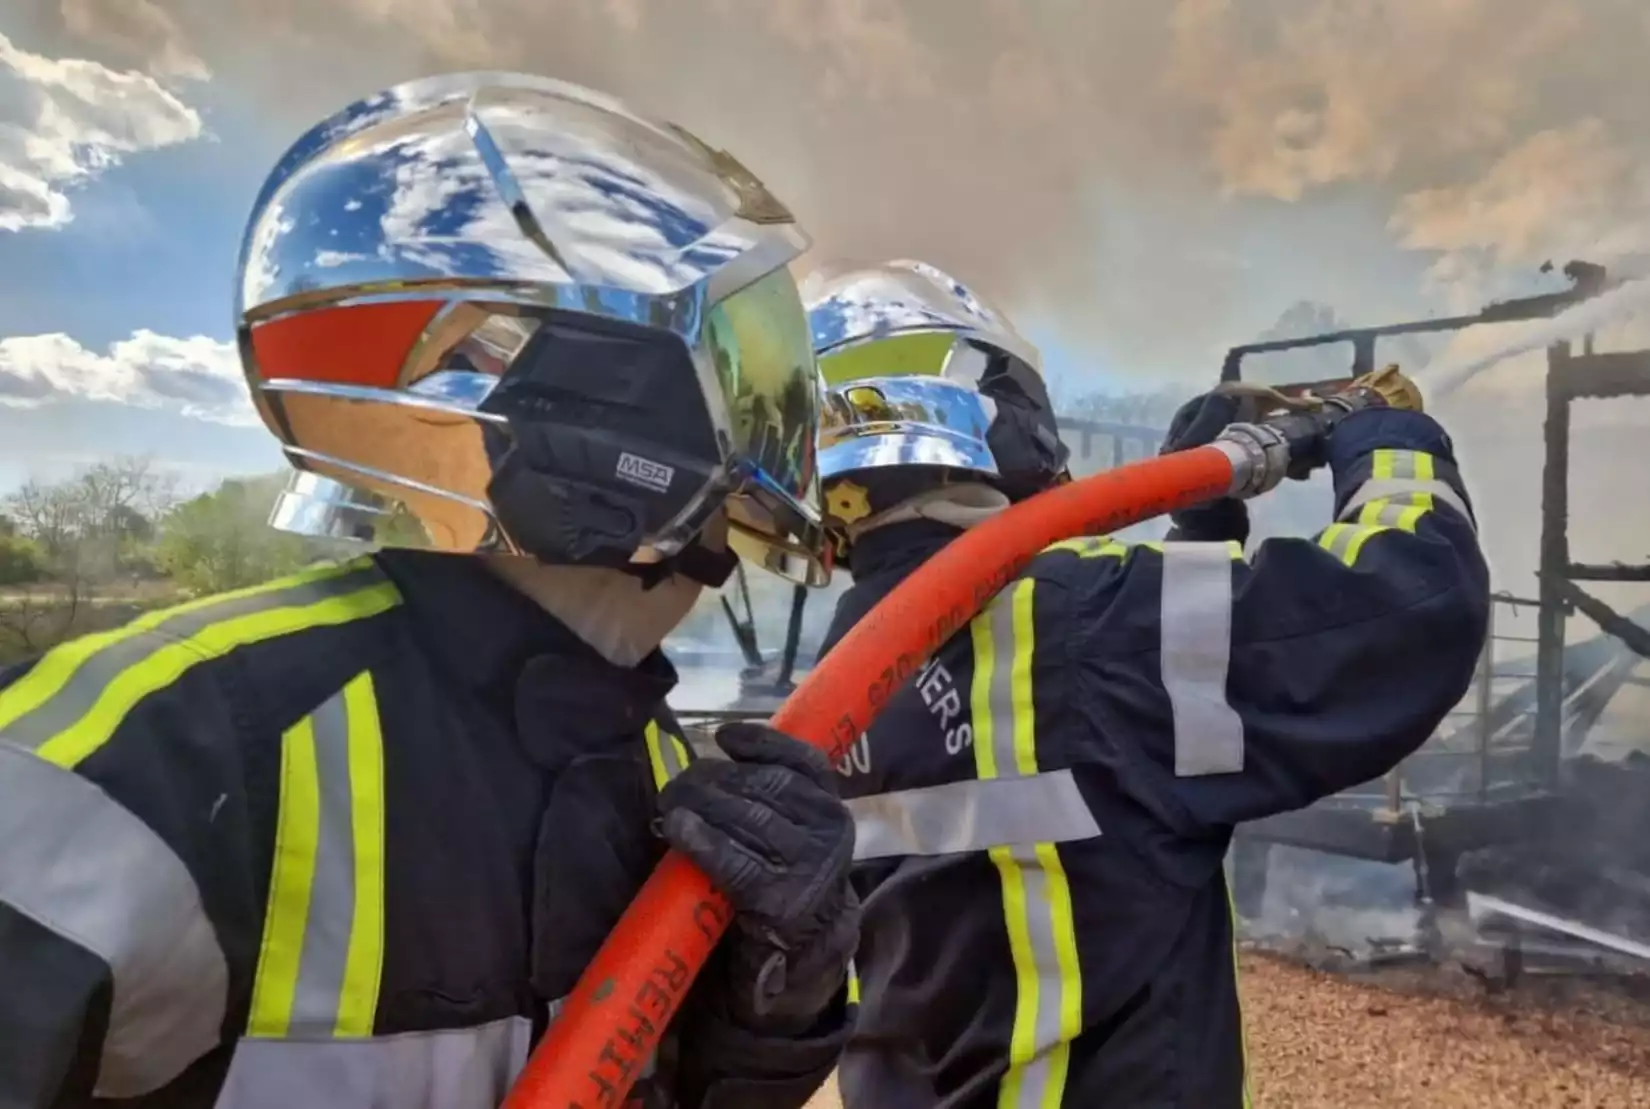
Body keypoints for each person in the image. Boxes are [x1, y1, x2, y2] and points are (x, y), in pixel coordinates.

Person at [0, 73, 859, 1109]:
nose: (774, 426)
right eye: (738, 365)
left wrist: (775, 1006)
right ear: (600, 398)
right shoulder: (152, 747)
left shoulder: (662, 766)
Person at [807, 260, 1490, 1107]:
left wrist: (1201, 518)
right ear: (999, 413)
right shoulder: (1084, 618)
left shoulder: (856, 662)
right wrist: (1392, 441)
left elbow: (1104, 756)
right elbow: (1413, 605)